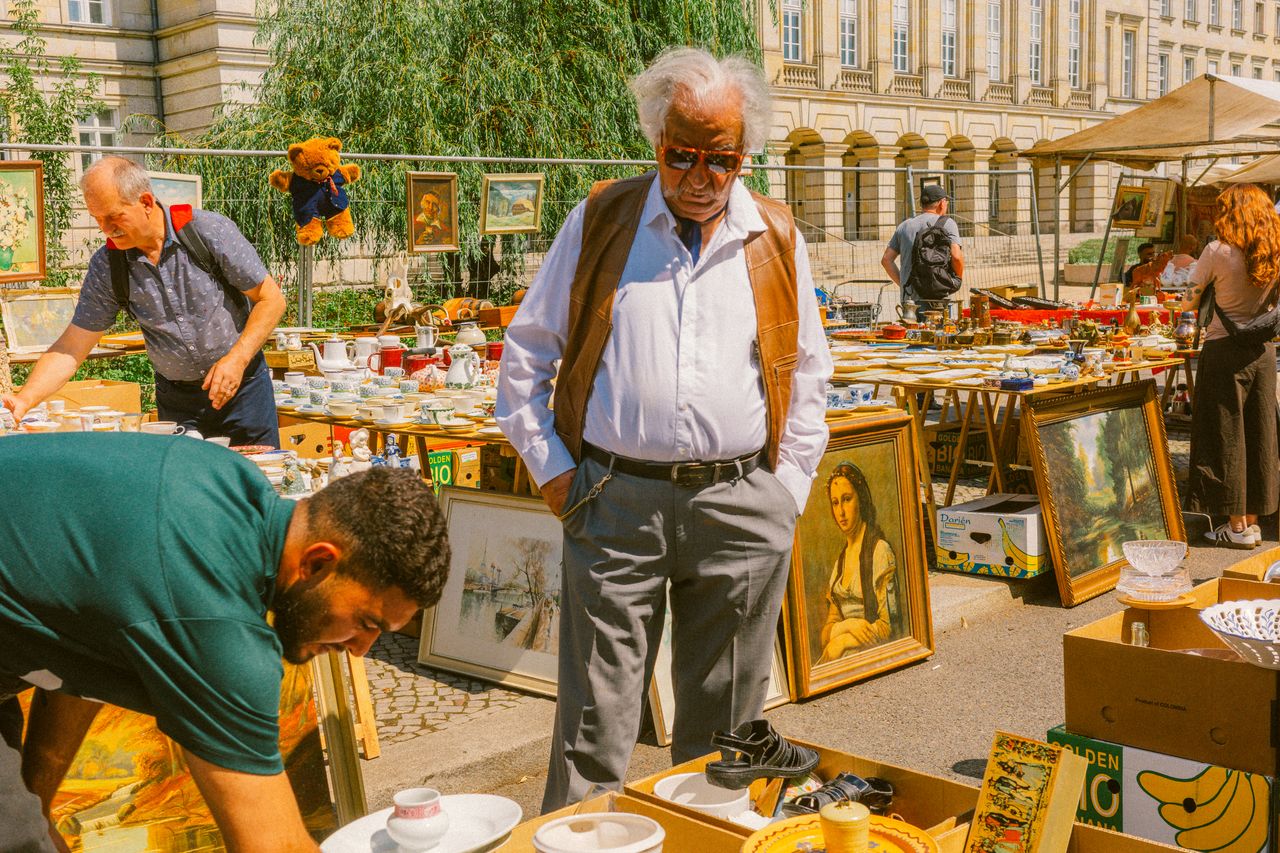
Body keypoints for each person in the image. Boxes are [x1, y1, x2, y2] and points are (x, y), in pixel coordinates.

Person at [496, 46, 831, 811]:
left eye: (721, 158)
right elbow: (526, 355)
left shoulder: (773, 235)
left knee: (729, 724)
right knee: (595, 722)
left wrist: (787, 491)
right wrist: (556, 474)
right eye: (682, 154)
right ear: (657, 141)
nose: (700, 175)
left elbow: (810, 372)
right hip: (614, 499)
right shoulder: (603, 220)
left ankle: (706, 837)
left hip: (742, 502)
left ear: (744, 156)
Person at [0, 434, 450, 852]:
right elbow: (272, 846)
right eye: (366, 622)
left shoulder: (230, 481)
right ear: (317, 563)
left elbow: (84, 659)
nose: (361, 649)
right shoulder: (214, 618)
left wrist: (37, 807)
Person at [1, 157, 285, 447]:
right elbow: (72, 346)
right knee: (180, 487)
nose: (106, 228)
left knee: (256, 482)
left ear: (146, 202)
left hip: (244, 390)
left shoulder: (208, 232)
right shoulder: (108, 265)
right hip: (179, 403)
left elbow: (271, 299)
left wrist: (236, 359)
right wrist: (25, 399)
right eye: (97, 219)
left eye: (114, 216)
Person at [1182, 184, 1280, 548]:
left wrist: (1194, 291)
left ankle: (1234, 527)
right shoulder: (1274, 250)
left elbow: (1188, 304)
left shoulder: (1217, 251)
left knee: (1224, 434)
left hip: (1223, 349)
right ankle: (1253, 522)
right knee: (1259, 433)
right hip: (1262, 351)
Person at [817, 463, 896, 664]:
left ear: (860, 499)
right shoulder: (839, 564)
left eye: (847, 499)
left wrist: (842, 642)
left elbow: (888, 627)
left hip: (869, 655)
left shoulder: (879, 551)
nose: (841, 511)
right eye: (835, 503)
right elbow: (826, 633)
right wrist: (848, 626)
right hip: (840, 656)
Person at [881, 184, 964, 305]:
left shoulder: (905, 225)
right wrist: (958, 279)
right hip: (936, 296)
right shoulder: (948, 223)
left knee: (910, 324)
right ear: (942, 203)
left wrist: (903, 283)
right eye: (946, 202)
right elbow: (956, 256)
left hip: (908, 299)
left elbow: (886, 260)